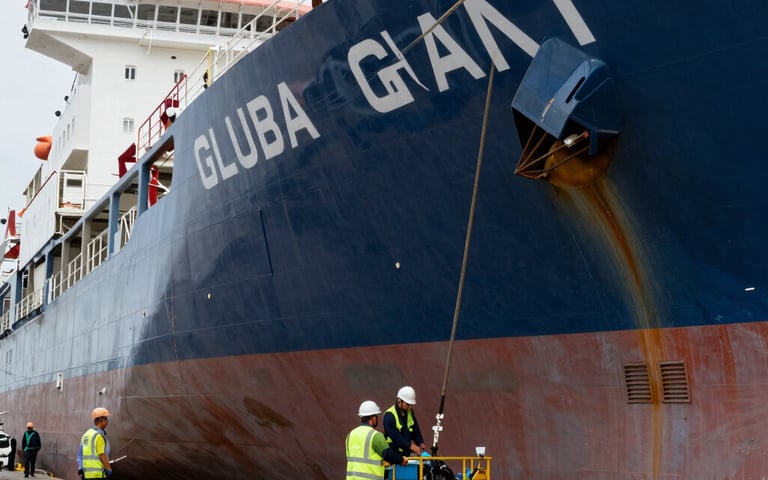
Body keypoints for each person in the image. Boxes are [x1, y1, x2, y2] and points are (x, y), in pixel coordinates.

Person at [346, 400, 408, 480]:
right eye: (376, 416)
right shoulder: (375, 435)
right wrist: (401, 459)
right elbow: (388, 454)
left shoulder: (350, 435)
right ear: (373, 418)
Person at [383, 386, 429, 456]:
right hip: (393, 453)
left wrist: (420, 443)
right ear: (400, 401)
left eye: (411, 405)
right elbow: (396, 437)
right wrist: (412, 446)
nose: (410, 407)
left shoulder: (409, 412)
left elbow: (415, 430)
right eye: (407, 404)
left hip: (406, 451)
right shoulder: (389, 415)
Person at [78, 408, 112, 479]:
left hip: (86, 475)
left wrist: (80, 468)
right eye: (106, 418)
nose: (107, 421)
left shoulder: (86, 435)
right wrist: (108, 469)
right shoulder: (98, 436)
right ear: (101, 420)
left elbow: (80, 455)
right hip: (98, 475)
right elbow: (102, 455)